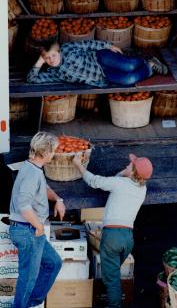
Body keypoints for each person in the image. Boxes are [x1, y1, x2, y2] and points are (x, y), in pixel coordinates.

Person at [72, 152, 153, 308]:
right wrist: (123, 173)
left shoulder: (120, 183)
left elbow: (94, 181)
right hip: (127, 238)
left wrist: (78, 165)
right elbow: (116, 184)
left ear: (134, 171)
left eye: (131, 164)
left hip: (112, 237)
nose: (128, 164)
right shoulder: (141, 190)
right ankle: (107, 298)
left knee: (112, 280)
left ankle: (114, 305)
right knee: (113, 274)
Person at [9, 132, 65, 308]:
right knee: (28, 278)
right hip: (27, 230)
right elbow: (23, 205)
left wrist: (58, 199)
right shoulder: (33, 173)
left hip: (30, 230)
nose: (54, 153)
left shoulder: (32, 167)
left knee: (54, 263)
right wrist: (39, 225)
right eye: (54, 150)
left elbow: (43, 189)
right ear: (46, 152)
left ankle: (30, 303)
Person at [27, 40, 168, 87]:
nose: (51, 60)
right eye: (48, 59)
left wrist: (107, 45)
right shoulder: (54, 73)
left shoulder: (67, 49)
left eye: (53, 55)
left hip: (100, 58)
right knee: (128, 79)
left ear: (58, 51)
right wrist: (40, 60)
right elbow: (31, 79)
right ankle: (150, 66)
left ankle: (142, 60)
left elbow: (87, 44)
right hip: (102, 76)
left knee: (128, 66)